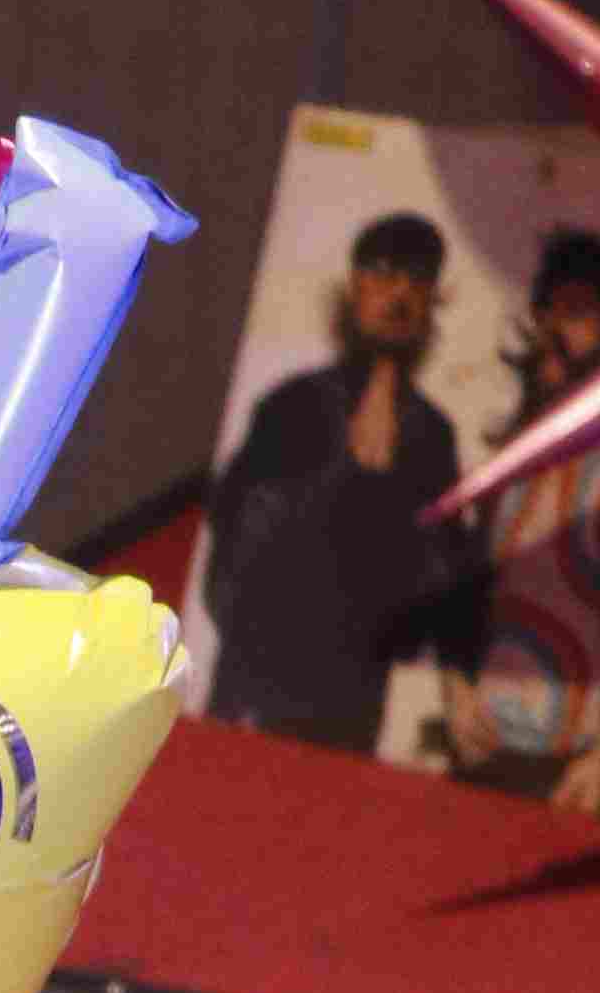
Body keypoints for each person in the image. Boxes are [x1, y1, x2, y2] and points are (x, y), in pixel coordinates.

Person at [424, 229, 600, 825]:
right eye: (547, 308)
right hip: (482, 755)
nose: (551, 327)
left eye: (575, 312)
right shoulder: (519, 454)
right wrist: (455, 685)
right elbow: (466, 592)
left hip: (579, 776)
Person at [198, 208, 463, 752]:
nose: (400, 294)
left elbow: (438, 573)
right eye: (384, 273)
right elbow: (232, 546)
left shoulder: (432, 436)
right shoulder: (292, 407)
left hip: (350, 712)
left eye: (418, 280)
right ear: (354, 287)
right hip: (253, 696)